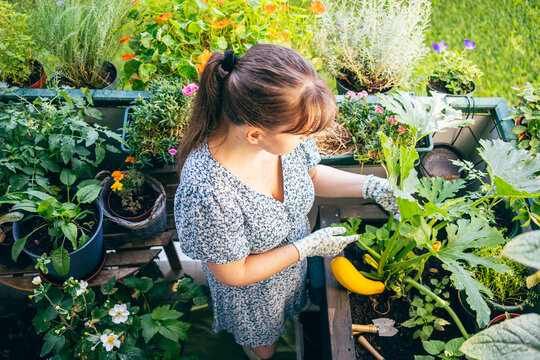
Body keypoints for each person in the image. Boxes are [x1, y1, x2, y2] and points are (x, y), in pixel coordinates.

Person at [174, 44, 400, 360]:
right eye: (301, 133)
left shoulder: (280, 138)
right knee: (265, 349)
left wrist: (373, 186)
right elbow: (233, 273)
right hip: (254, 294)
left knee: (291, 309)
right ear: (254, 135)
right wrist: (304, 248)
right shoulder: (209, 191)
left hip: (291, 267)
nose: (307, 139)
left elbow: (313, 175)